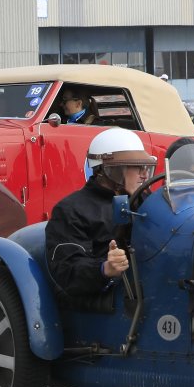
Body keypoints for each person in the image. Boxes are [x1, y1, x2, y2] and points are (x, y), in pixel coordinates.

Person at [44, 127, 157, 304]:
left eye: (145, 167)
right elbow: (66, 269)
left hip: (148, 283)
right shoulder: (71, 210)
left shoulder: (145, 199)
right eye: (137, 166)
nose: (144, 174)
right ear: (111, 170)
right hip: (107, 297)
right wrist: (105, 268)